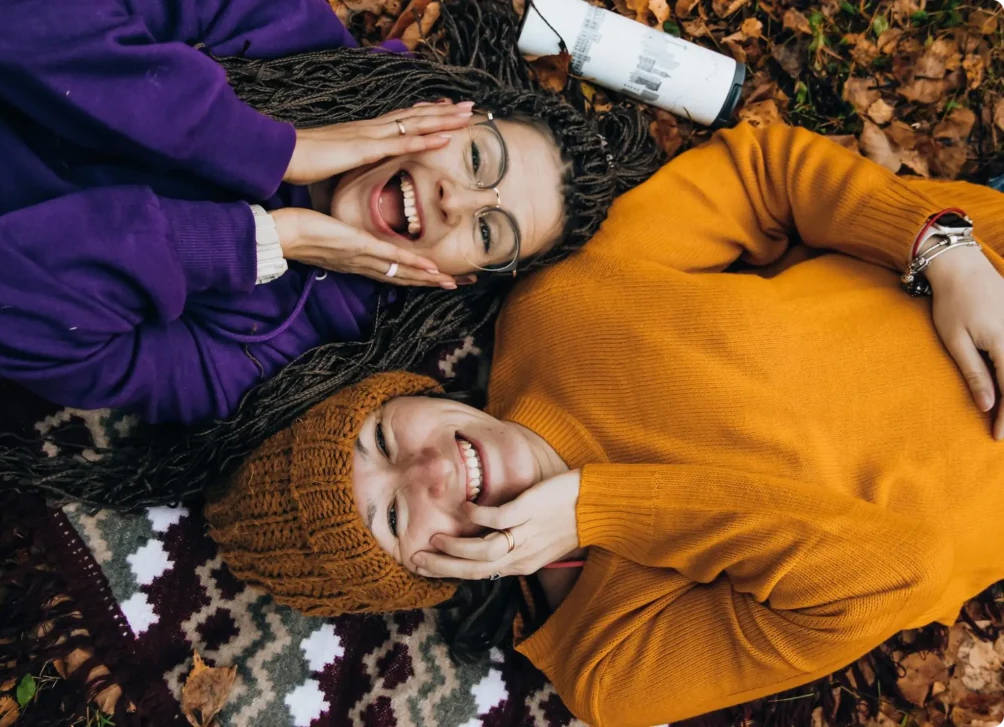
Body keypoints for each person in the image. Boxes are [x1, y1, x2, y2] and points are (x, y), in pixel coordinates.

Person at [204, 122, 1004, 727]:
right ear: (421, 574)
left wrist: (942, 250)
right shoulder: (610, 663)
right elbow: (891, 572)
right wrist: (600, 506)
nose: (432, 471)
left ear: (400, 391)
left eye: (380, 439)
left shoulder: (554, 314)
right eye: (393, 514)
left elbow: (759, 173)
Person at [0, 0, 656, 425]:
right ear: (442, 112)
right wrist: (273, 150)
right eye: (480, 160)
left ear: (455, 279)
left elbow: (4, 317)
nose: (458, 199)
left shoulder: (276, 353)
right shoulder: (283, 30)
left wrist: (257, 240)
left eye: (488, 230)